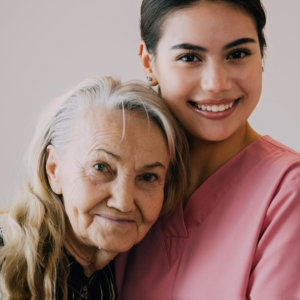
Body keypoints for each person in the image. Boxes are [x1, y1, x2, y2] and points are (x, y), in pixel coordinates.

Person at [115, 0, 300, 299]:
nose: (216, 83)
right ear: (149, 63)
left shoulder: (288, 192)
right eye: (190, 57)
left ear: (261, 57)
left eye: (238, 54)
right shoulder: (117, 181)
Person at [0, 76, 188, 299]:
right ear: (54, 169)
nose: (123, 202)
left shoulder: (128, 274)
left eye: (148, 177)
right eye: (101, 167)